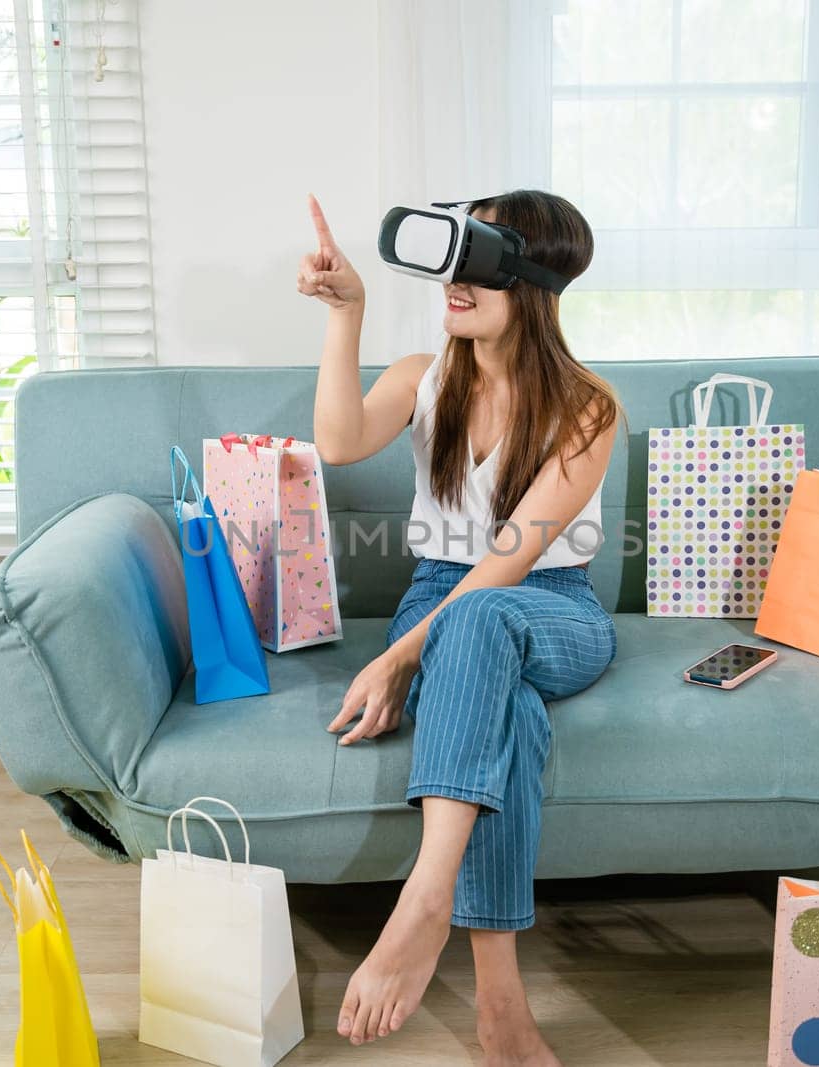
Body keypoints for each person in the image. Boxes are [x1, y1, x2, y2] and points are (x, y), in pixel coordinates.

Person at [297, 189, 622, 1065]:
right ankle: (502, 1014)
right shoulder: (421, 377)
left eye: (478, 257)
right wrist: (347, 313)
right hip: (442, 596)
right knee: (506, 716)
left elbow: (511, 564)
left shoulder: (589, 406)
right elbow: (335, 442)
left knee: (482, 610)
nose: (454, 277)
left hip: (555, 605)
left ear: (534, 280)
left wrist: (404, 658)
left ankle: (423, 897)